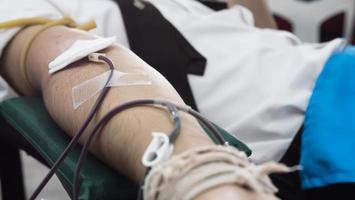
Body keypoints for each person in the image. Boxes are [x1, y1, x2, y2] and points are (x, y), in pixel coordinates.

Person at [0, 0, 354, 199]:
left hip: (333, 71)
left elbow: (265, 42)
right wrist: (201, 176)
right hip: (317, 123)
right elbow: (71, 59)